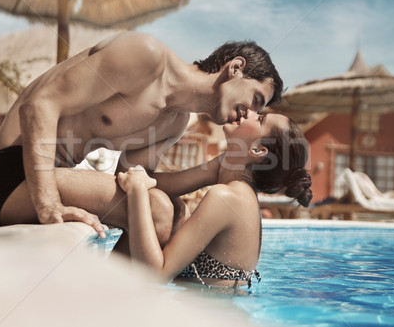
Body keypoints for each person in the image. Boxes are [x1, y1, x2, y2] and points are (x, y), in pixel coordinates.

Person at [0, 31, 283, 240]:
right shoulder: (146, 58)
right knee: (158, 211)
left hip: (56, 176)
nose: (250, 115)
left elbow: (134, 182)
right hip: (11, 178)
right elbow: (38, 105)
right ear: (235, 68)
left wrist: (213, 170)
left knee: (174, 210)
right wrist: (48, 205)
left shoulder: (174, 123)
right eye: (256, 99)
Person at [116, 109, 312, 288]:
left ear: (258, 150)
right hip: (208, 307)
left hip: (207, 314)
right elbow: (162, 183)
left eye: (260, 119)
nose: (250, 112)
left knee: (154, 203)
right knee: (171, 206)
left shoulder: (228, 197)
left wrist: (137, 191)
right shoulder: (228, 170)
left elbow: (158, 274)